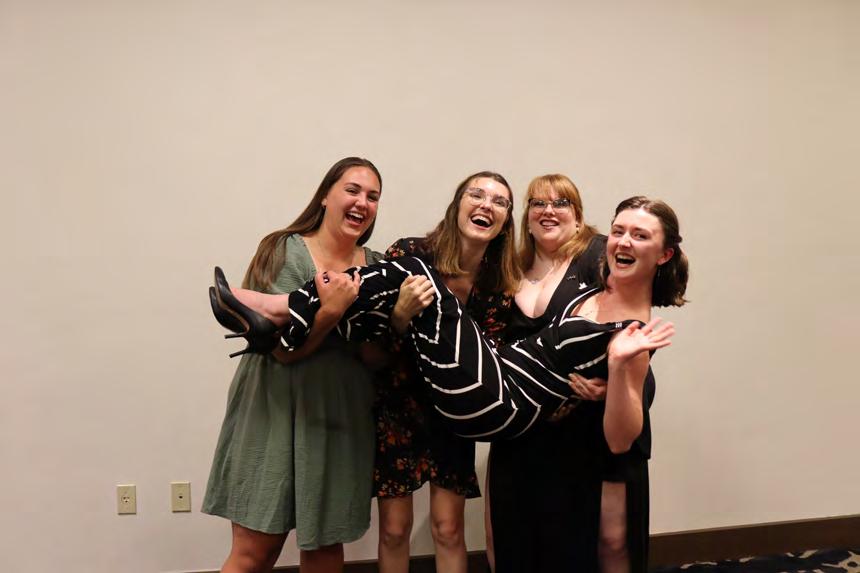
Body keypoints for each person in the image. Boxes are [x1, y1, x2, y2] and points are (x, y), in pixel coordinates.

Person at [209, 195, 685, 445]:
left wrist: (618, 370)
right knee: (394, 293)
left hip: (500, 401)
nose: (623, 241)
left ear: (663, 254)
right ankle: (277, 325)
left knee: (417, 272)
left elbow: (621, 439)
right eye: (618, 230)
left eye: (640, 236)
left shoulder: (633, 334)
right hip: (494, 376)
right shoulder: (590, 289)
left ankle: (279, 308)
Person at [202, 157, 386, 573]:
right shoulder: (284, 249)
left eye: (373, 196)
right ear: (325, 196)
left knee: (325, 552)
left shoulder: (377, 266)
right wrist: (331, 313)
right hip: (272, 412)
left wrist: (396, 320)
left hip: (338, 419)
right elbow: (282, 352)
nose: (362, 202)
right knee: (255, 553)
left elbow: (376, 358)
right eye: (352, 190)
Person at [487, 176, 662, 572]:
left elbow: (634, 322)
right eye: (538, 203)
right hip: (525, 427)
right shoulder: (507, 270)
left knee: (604, 543)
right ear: (526, 217)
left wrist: (612, 384)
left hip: (590, 423)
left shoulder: (600, 256)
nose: (548, 211)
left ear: (579, 217)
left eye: (561, 203)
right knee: (512, 535)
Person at [374, 172, 519, 573]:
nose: (486, 205)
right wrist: (400, 315)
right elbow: (371, 341)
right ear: (458, 204)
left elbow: (491, 357)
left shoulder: (500, 285)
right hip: (398, 405)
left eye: (499, 202)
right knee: (394, 530)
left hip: (454, 412)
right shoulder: (409, 254)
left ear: (506, 221)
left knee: (449, 528)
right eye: (477, 194)